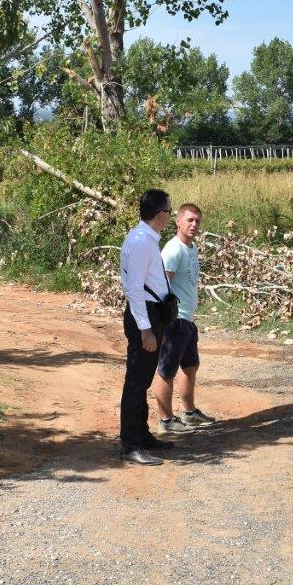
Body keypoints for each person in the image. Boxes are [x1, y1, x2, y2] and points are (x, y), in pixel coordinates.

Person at [118, 188, 176, 465]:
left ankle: (141, 435)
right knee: (136, 382)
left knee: (141, 380)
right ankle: (130, 445)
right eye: (170, 211)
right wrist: (146, 330)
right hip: (146, 317)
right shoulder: (142, 241)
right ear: (161, 214)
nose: (170, 216)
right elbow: (134, 289)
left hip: (152, 315)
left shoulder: (146, 238)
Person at [151, 203, 216, 434]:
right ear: (178, 222)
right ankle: (166, 420)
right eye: (189, 220)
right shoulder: (173, 249)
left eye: (197, 220)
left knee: (190, 366)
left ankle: (189, 413)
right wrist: (163, 318)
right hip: (174, 320)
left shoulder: (191, 247)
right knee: (166, 371)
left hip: (187, 319)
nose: (194, 224)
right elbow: (160, 283)